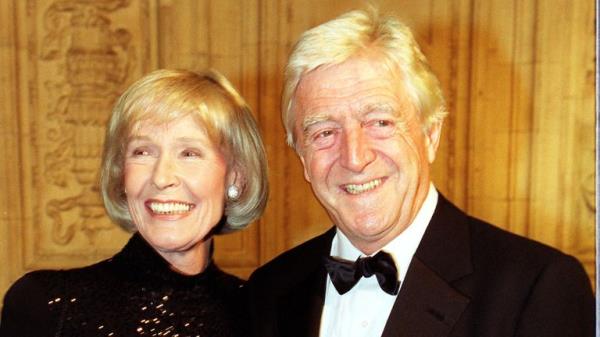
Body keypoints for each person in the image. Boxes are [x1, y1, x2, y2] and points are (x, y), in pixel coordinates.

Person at [246, 8, 594, 337]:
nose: (354, 157)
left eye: (379, 122)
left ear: (430, 134)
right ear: (304, 159)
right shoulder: (270, 290)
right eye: (324, 132)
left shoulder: (536, 287)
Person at [0, 69, 268, 337]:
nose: (161, 177)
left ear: (236, 177)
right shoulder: (47, 306)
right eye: (143, 152)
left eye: (189, 153)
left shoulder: (261, 314)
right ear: (121, 173)